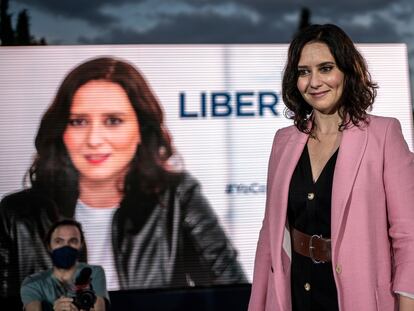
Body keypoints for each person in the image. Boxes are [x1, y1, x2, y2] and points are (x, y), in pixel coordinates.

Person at [0, 57, 246, 299]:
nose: (94, 139)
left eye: (113, 121)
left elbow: (234, 295)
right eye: (79, 121)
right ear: (62, 130)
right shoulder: (17, 214)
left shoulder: (178, 197)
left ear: (142, 129)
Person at [248, 24, 414, 311]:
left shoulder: (384, 134)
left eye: (325, 68)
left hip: (359, 295)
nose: (314, 82)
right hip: (295, 292)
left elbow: (409, 233)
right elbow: (270, 234)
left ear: (347, 72)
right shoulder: (283, 142)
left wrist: (407, 302)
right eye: (303, 71)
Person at [21, 219, 109, 311]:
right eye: (59, 241)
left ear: (81, 244)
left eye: (73, 241)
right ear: (49, 245)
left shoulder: (93, 272)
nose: (66, 246)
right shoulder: (33, 282)